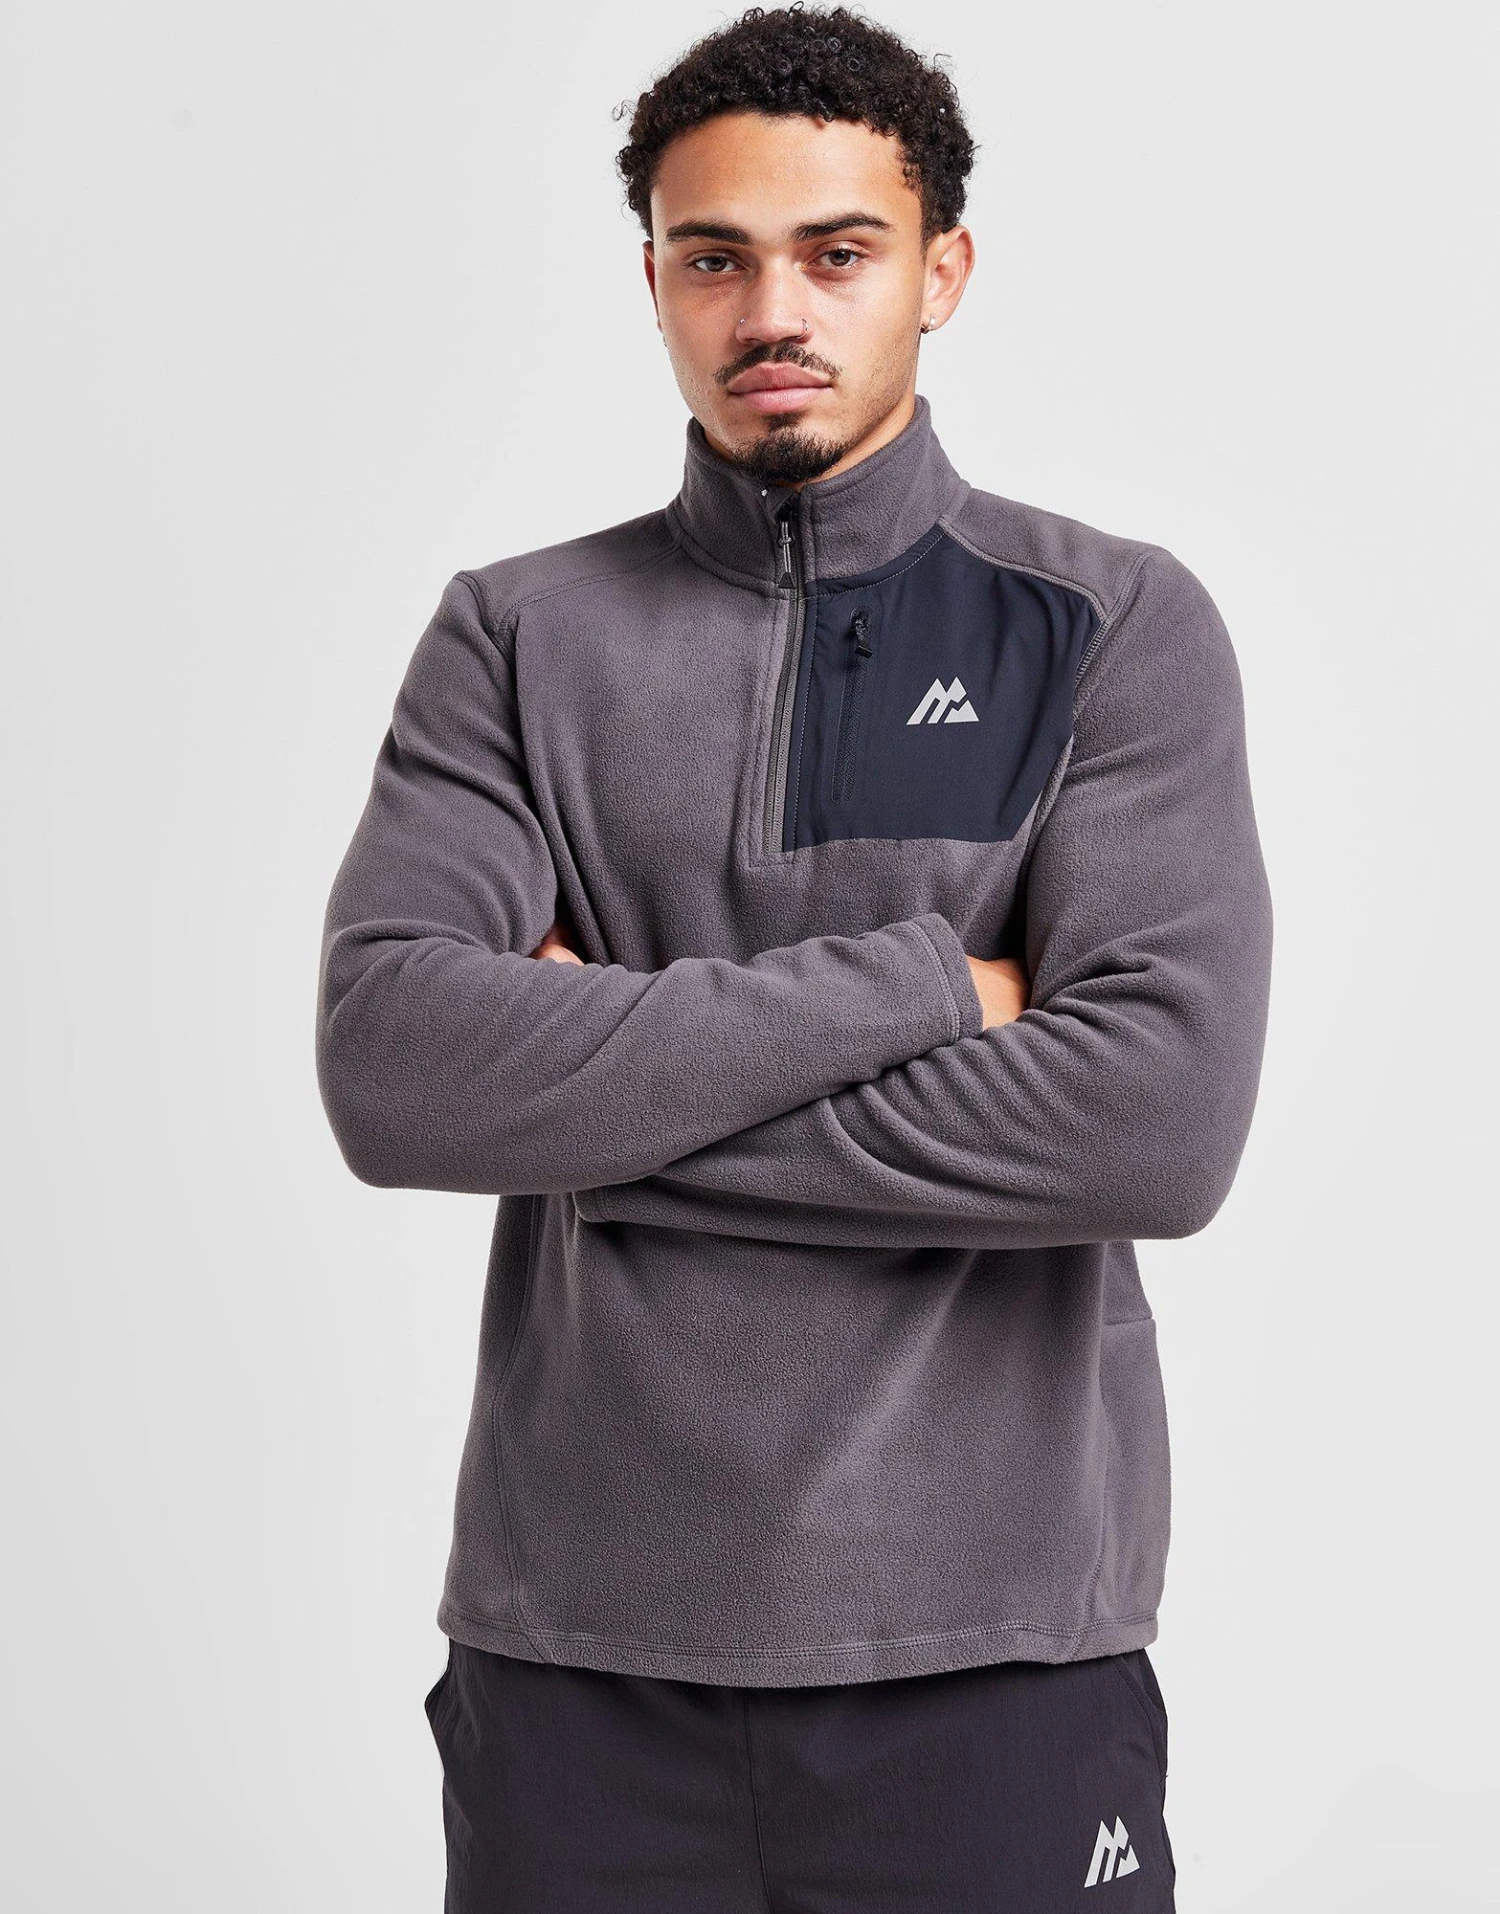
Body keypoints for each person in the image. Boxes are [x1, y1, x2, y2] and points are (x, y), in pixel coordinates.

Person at [314, 5, 1273, 1907]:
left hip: (995, 1658)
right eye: (715, 257)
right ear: (655, 283)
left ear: (942, 271)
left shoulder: (1109, 625)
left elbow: (1153, 1126)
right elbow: (400, 1070)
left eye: (838, 253)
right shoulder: (515, 637)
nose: (775, 310)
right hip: (574, 1667)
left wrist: (601, 1112)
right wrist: (926, 987)